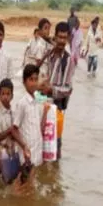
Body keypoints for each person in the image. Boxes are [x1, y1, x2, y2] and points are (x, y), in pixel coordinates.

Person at [41, 22, 76, 159]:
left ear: (67, 39)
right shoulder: (48, 55)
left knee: (55, 143)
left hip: (57, 108)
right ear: (54, 37)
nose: (61, 41)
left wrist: (52, 89)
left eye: (64, 38)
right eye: (59, 37)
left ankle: (55, 168)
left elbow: (68, 89)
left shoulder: (68, 61)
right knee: (40, 140)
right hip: (42, 103)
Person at [11, 64, 44, 175]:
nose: (34, 83)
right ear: (24, 82)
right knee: (25, 184)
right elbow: (14, 129)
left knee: (32, 185)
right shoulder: (22, 104)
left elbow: (39, 127)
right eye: (31, 80)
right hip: (26, 154)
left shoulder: (38, 103)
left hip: (37, 152)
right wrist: (24, 146)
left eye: (36, 79)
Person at [0, 79, 19, 183]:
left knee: (10, 176)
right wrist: (9, 131)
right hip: (1, 148)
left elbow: (17, 131)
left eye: (8, 94)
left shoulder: (15, 113)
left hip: (12, 148)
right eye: (3, 94)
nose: (5, 97)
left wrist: (13, 132)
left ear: (12, 96)